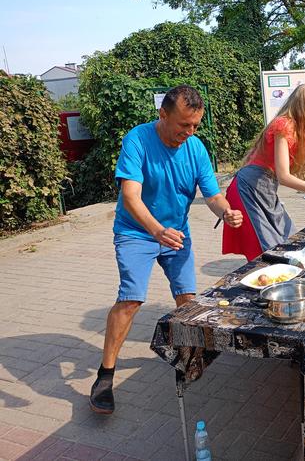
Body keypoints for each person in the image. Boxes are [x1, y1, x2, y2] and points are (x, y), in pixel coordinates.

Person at [89, 85, 243, 414]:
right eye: (182, 125)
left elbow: (213, 196)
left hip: (175, 232)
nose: (188, 133)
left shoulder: (196, 148)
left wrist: (225, 211)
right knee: (131, 298)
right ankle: (104, 375)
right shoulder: (138, 140)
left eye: (195, 126)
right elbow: (130, 196)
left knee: (188, 300)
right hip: (137, 231)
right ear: (163, 115)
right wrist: (156, 230)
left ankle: (186, 361)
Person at [222, 84, 305, 261]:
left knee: (287, 238)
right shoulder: (283, 125)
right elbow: (284, 176)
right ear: (301, 105)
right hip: (248, 189)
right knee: (266, 248)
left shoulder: (303, 132)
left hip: (266, 188)